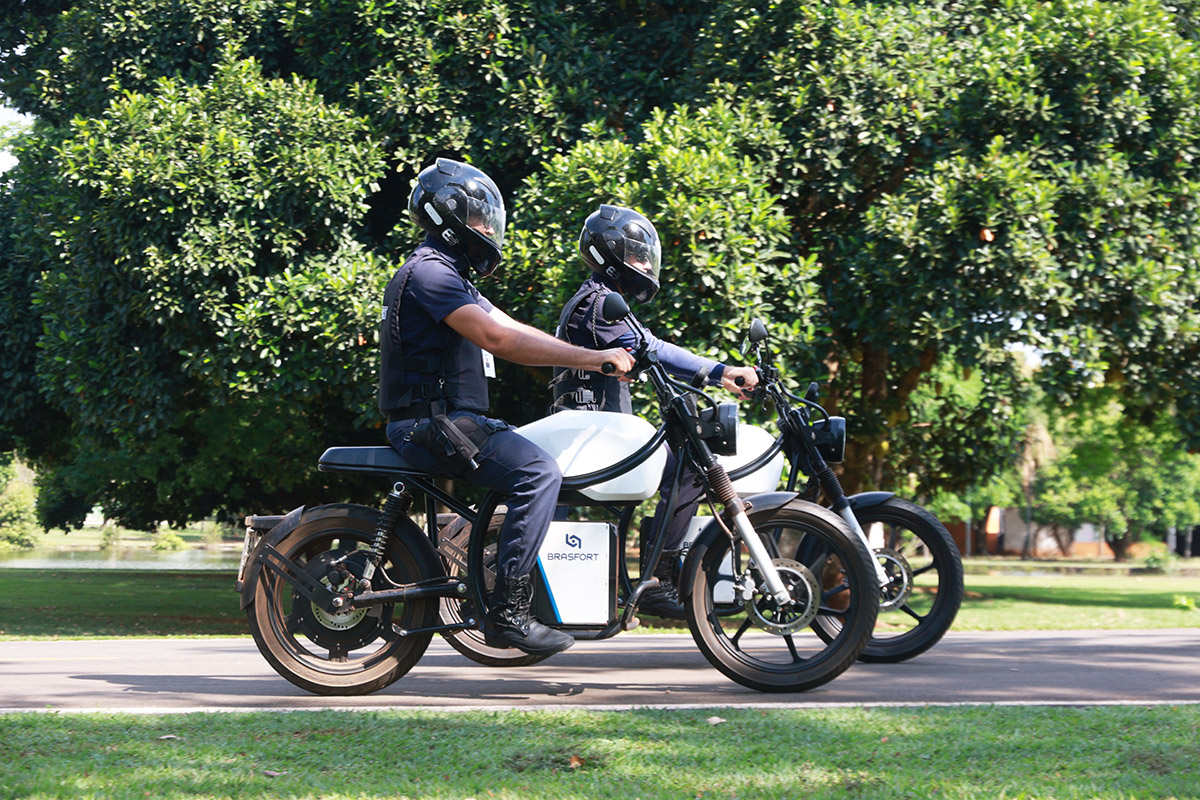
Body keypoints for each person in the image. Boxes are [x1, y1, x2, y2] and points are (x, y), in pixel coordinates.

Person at [379, 159, 635, 656]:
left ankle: (506, 583)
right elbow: (498, 340)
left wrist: (587, 355)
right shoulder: (431, 274)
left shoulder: (449, 276)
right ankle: (508, 614)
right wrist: (592, 357)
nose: (487, 228)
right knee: (537, 472)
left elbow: (511, 327)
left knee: (536, 457)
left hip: (446, 420)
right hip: (433, 423)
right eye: (478, 217)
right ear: (448, 216)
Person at [550, 204, 759, 617]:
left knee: (677, 468)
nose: (646, 264)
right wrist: (722, 372)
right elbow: (654, 349)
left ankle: (655, 572)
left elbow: (647, 348)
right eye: (636, 255)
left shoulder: (602, 301)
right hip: (592, 436)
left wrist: (714, 373)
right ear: (610, 254)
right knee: (688, 469)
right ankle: (657, 579)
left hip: (594, 431)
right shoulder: (600, 304)